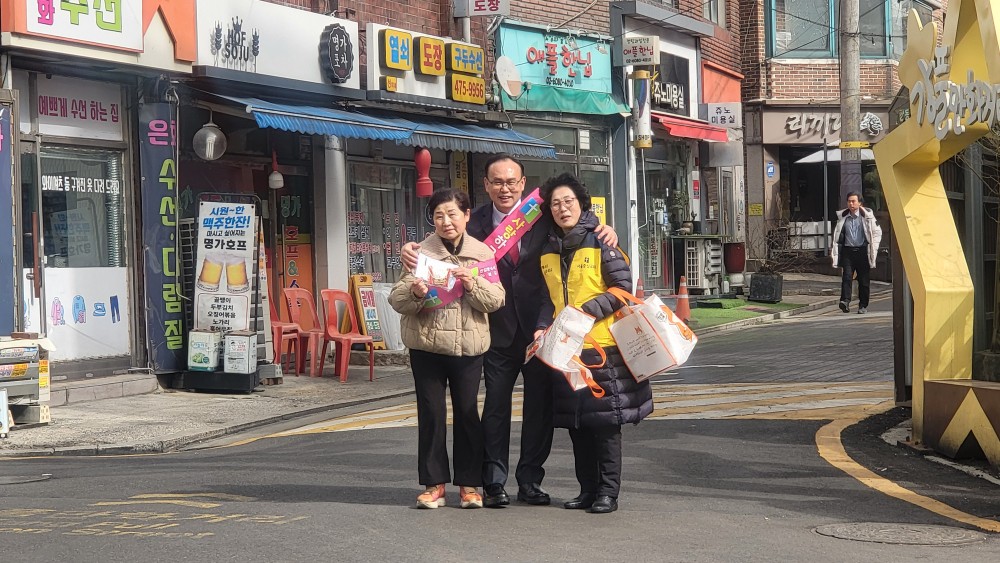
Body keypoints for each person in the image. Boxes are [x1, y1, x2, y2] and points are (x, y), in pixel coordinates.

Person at [402, 155, 617, 508]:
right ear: (486, 185)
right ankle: (493, 482)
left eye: (512, 182)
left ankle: (530, 481)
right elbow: (441, 239)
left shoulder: (541, 214)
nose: (505, 188)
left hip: (541, 329)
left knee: (539, 410)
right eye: (497, 182)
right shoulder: (473, 220)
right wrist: (410, 248)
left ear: (522, 184)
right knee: (495, 409)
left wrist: (603, 228)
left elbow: (575, 217)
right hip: (494, 328)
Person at [534, 173, 653, 514]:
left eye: (568, 201)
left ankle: (608, 493)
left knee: (605, 426)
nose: (562, 208)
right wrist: (541, 327)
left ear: (581, 204)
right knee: (578, 425)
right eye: (555, 204)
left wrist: (585, 311)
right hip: (566, 352)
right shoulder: (548, 248)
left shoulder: (601, 240)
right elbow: (546, 298)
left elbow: (622, 290)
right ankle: (587, 490)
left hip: (603, 349)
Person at [389, 188, 506, 510]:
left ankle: (469, 485)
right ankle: (434, 485)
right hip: (426, 346)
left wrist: (471, 283)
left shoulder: (481, 253)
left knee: (468, 414)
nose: (446, 221)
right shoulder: (419, 254)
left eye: (452, 214)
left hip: (468, 348)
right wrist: (415, 293)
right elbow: (397, 300)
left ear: (466, 215)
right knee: (431, 414)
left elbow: (496, 300)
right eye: (438, 215)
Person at [831, 191, 882, 314]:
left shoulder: (867, 217)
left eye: (853, 201)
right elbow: (837, 236)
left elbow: (877, 233)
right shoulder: (843, 217)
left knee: (863, 280)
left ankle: (863, 305)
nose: (851, 204)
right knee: (847, 277)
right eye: (849, 201)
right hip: (848, 252)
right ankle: (845, 301)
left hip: (863, 251)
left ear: (860, 203)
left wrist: (873, 248)